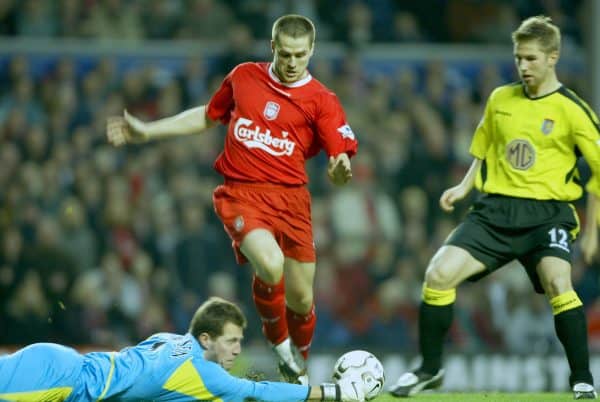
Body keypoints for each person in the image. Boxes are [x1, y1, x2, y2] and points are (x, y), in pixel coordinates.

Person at [106, 14, 357, 385]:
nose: (291, 63)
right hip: (242, 194)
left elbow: (341, 154)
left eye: (299, 55)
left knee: (302, 301)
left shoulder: (322, 100)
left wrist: (339, 170)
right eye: (285, 54)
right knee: (270, 265)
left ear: (311, 51)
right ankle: (278, 342)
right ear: (273, 47)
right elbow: (208, 116)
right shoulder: (244, 77)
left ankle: (296, 370)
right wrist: (149, 131)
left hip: (293, 202)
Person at [389, 16, 600, 400]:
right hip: (495, 212)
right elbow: (484, 149)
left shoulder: (573, 109)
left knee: (558, 283)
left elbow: (599, 170)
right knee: (437, 275)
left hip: (548, 214)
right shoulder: (501, 98)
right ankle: (429, 369)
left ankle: (582, 379)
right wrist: (463, 185)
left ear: (553, 57)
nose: (523, 66)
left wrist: (591, 231)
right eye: (519, 58)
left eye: (532, 59)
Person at [0, 296, 366, 402]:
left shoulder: (172, 339)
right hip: (58, 381)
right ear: (206, 340)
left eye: (239, 340)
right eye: (230, 341)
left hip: (59, 365)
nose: (237, 350)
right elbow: (259, 392)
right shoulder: (203, 374)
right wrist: (332, 393)